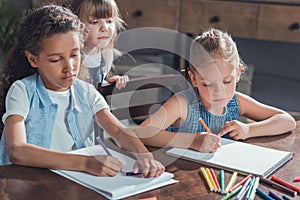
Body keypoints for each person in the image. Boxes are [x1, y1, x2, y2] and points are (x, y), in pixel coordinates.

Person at [0, 5, 164, 178]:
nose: (69, 68)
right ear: (33, 59)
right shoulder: (22, 90)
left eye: (75, 55)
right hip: (32, 182)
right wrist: (84, 162)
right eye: (56, 59)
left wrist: (144, 155)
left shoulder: (86, 92)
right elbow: (16, 150)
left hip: (75, 182)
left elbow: (118, 131)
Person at [136, 28, 296, 153]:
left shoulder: (236, 101)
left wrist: (248, 130)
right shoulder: (183, 104)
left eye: (227, 81)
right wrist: (191, 141)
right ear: (194, 79)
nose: (219, 92)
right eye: (207, 84)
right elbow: (143, 132)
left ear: (238, 73)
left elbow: (287, 121)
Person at [68, 0, 129, 89]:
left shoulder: (106, 55)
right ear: (77, 25)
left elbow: (96, 85)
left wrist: (109, 83)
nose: (105, 28)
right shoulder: (70, 59)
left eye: (109, 21)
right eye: (95, 22)